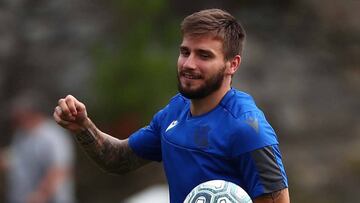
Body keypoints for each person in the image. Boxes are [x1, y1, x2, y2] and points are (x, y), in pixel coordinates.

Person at [54, 9, 290, 203]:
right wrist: (82, 126)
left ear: (232, 64)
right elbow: (118, 159)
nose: (189, 64)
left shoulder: (248, 129)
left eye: (204, 56)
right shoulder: (175, 111)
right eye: (185, 52)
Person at [2, 91, 75, 203]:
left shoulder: (53, 135)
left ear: (30, 114)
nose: (15, 121)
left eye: (19, 116)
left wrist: (41, 195)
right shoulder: (21, 135)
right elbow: (14, 158)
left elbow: (60, 169)